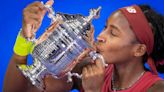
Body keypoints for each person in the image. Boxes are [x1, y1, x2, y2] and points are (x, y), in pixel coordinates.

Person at [80, 4, 164, 92]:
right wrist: (73, 55)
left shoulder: (157, 89)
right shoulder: (94, 70)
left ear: (139, 50)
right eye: (105, 27)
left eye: (113, 33)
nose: (100, 36)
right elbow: (64, 83)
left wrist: (93, 90)